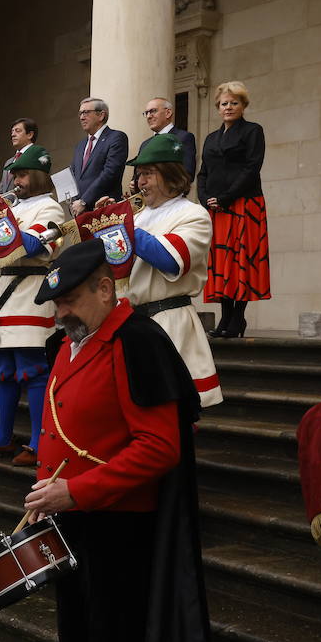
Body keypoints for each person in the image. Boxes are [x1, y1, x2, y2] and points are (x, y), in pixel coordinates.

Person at [23, 240, 208, 642]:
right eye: (56, 303)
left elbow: (159, 447)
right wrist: (46, 493)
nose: (61, 313)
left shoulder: (138, 342)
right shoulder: (71, 343)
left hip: (120, 524)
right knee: (77, 639)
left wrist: (75, 491)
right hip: (70, 517)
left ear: (107, 289)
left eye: (72, 300)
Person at [0, 144, 65, 467]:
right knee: (4, 372)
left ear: (38, 176)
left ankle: (38, 444)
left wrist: (0, 218)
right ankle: (2, 439)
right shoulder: (14, 206)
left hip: (30, 291)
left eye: (22, 174)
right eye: (14, 174)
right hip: (0, 293)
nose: (16, 180)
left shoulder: (50, 209)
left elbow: (33, 244)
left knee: (34, 371)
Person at [115, 133, 222, 407]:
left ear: (171, 175)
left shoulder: (193, 214)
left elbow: (169, 259)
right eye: (139, 175)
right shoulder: (137, 216)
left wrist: (121, 226)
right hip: (132, 322)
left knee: (173, 412)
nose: (140, 182)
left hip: (170, 322)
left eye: (148, 174)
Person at [198, 80, 269, 338]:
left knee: (241, 260)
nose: (228, 107)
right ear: (218, 107)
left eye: (234, 103)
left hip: (244, 203)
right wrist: (204, 197)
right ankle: (225, 319)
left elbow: (252, 168)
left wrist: (226, 197)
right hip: (216, 208)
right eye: (224, 103)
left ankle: (238, 319)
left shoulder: (253, 131)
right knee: (222, 262)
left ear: (243, 106)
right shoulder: (211, 138)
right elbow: (203, 172)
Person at [70, 97, 129, 215]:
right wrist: (73, 203)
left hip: (105, 210)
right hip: (81, 213)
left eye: (86, 112)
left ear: (101, 115)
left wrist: (84, 201)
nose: (82, 117)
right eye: (80, 113)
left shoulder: (116, 138)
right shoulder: (81, 145)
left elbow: (110, 173)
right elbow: (74, 175)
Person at [137, 97, 196, 181]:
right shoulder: (145, 144)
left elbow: (187, 173)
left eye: (153, 111)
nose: (149, 116)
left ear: (168, 113)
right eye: (146, 113)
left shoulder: (183, 138)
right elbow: (137, 174)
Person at [0, 117, 39, 197]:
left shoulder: (37, 157)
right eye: (12, 131)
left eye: (18, 131)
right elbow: (1, 191)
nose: (13, 135)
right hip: (8, 208)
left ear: (30, 135)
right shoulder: (8, 162)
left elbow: (37, 188)